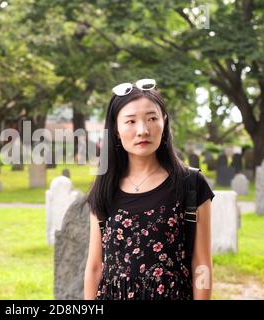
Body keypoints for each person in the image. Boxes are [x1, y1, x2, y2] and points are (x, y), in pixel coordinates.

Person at [84, 79, 214, 300]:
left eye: (151, 118)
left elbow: (202, 264)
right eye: (130, 121)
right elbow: (96, 266)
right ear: (116, 130)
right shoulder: (104, 188)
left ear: (164, 123)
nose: (142, 130)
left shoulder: (191, 183)